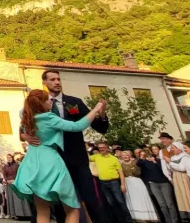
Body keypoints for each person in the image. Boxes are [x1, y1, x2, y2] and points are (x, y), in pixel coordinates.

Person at [20, 71, 109, 223]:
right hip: (54, 159)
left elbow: (99, 127)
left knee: (89, 197)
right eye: (52, 79)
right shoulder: (35, 109)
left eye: (59, 79)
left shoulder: (74, 102)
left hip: (76, 157)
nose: (57, 82)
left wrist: (101, 114)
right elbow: (23, 129)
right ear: (45, 83)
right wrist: (23, 136)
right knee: (58, 202)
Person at [92, 142, 131, 223]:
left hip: (114, 182)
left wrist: (123, 185)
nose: (101, 149)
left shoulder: (114, 158)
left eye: (103, 147)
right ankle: (119, 219)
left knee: (120, 201)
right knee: (111, 202)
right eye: (99, 148)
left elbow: (120, 172)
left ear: (107, 148)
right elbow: (85, 157)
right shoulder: (96, 157)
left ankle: (128, 219)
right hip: (103, 183)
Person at [136, 149, 177, 223]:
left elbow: (162, 170)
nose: (146, 156)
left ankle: (175, 220)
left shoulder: (158, 160)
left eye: (146, 154)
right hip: (153, 184)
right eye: (143, 154)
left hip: (164, 183)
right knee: (162, 204)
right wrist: (142, 157)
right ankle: (168, 221)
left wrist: (154, 162)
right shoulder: (144, 162)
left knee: (169, 203)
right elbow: (138, 163)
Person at [117, 150, 158, 222]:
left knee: (140, 198)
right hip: (127, 182)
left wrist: (132, 165)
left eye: (126, 155)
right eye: (123, 155)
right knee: (132, 199)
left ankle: (145, 216)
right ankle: (135, 216)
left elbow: (137, 173)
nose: (125, 157)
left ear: (130, 155)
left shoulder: (135, 162)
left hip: (136, 181)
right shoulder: (120, 164)